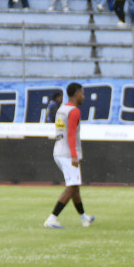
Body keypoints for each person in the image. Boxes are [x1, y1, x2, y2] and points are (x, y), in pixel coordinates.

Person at [45, 83, 95, 229]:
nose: (83, 96)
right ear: (76, 94)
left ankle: (84, 218)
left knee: (75, 187)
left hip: (58, 150)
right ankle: (52, 219)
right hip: (68, 153)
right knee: (72, 186)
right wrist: (74, 155)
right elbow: (71, 134)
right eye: (82, 93)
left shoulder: (62, 109)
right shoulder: (74, 111)